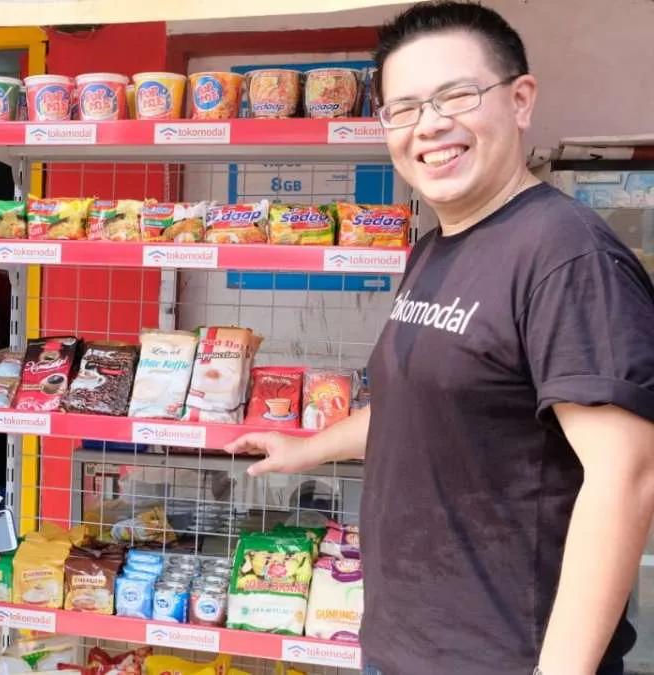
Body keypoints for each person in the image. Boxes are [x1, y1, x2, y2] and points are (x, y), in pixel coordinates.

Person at [225, 3, 654, 675]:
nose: (430, 125)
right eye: (404, 108)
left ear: (520, 100)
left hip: (505, 657)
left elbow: (627, 475)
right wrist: (307, 448)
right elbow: (419, 402)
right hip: (403, 646)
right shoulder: (433, 251)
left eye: (457, 95)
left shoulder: (566, 254)